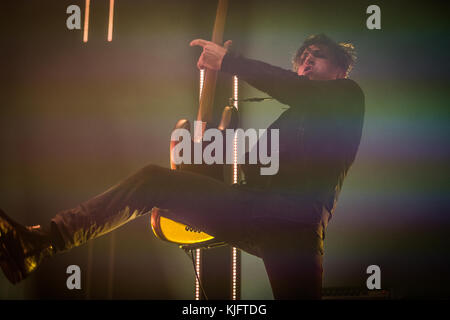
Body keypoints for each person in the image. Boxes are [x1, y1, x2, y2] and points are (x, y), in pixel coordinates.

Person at [0, 34, 364, 299]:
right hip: (255, 212)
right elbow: (252, 177)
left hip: (297, 226)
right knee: (151, 181)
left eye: (317, 56)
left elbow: (294, 90)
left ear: (340, 71)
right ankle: (40, 243)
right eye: (302, 57)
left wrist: (231, 63)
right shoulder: (288, 118)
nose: (305, 62)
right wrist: (203, 172)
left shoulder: (348, 97)